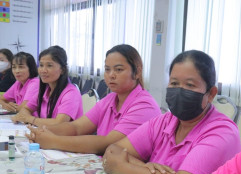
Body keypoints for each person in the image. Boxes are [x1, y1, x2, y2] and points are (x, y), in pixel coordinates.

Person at [102, 50, 241, 174]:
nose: (180, 90)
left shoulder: (222, 132)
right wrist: (144, 168)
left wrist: (120, 167)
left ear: (211, 94)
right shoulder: (165, 121)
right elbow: (114, 150)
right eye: (174, 83)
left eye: (190, 85)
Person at [25, 44, 161, 154]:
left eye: (118, 70)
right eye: (107, 70)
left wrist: (54, 141)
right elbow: (77, 127)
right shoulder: (110, 99)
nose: (111, 75)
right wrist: (42, 132)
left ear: (137, 72)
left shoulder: (144, 105)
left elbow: (109, 143)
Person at [11, 45, 83, 126]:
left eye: (49, 65)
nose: (43, 70)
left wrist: (29, 119)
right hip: (47, 134)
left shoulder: (71, 94)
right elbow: (26, 108)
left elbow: (59, 123)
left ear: (62, 70)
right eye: (41, 65)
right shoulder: (46, 91)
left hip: (64, 137)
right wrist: (24, 116)